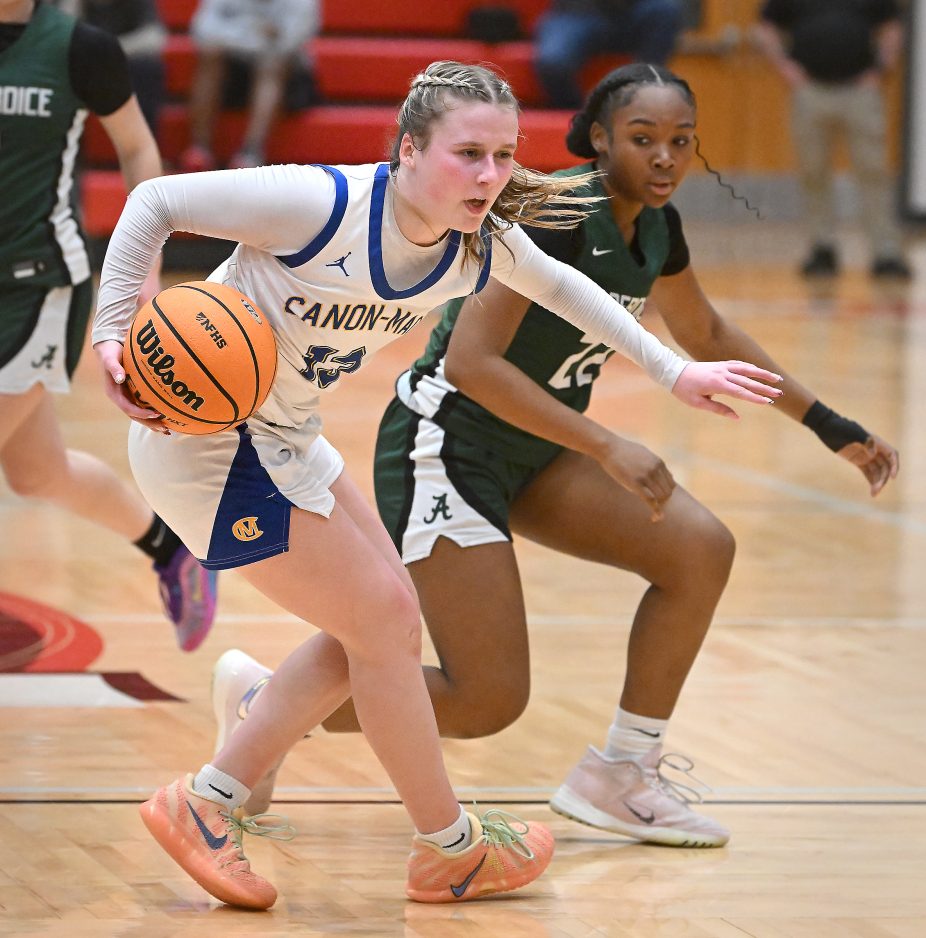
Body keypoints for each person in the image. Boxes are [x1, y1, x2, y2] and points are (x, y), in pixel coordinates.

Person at [92, 60, 782, 909]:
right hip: (207, 447)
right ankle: (449, 847)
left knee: (376, 627)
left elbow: (570, 290)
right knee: (382, 620)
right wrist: (112, 331)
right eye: (469, 155)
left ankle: (209, 800)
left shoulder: (479, 242)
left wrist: (675, 372)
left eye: (504, 156)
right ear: (409, 151)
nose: (490, 176)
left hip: (287, 439)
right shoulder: (320, 205)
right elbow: (155, 202)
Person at [212, 63, 900, 849]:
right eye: (643, 138)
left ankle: (621, 773)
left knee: (700, 549)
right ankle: (265, 705)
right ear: (600, 139)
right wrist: (607, 444)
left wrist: (828, 424)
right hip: (449, 446)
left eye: (682, 141)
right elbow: (472, 363)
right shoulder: (555, 215)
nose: (665, 157)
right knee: (485, 700)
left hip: (539, 448)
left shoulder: (656, 227)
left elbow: (706, 334)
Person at [0, 0, 217, 652]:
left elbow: (137, 146)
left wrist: (146, 262)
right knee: (38, 473)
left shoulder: (79, 49)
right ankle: (170, 548)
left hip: (37, 288)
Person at [753, 0, 912, 279]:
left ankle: (886, 251)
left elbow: (891, 26)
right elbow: (766, 27)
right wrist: (785, 67)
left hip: (861, 91)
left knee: (873, 171)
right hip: (809, 90)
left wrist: (882, 68)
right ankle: (822, 247)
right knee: (813, 171)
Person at [177, 0, 320, 172]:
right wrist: (256, 35)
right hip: (236, 67)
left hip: (288, 81)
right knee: (210, 55)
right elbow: (202, 31)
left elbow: (290, 42)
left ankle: (251, 151)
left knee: (272, 63)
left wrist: (234, 34)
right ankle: (199, 148)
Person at [534, 0, 683, 109]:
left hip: (629, 12)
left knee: (666, 9)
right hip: (577, 13)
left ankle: (642, 92)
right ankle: (576, 116)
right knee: (553, 61)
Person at [54, 0, 166, 135]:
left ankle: (144, 141)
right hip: (88, 69)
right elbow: (62, 39)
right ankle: (68, 142)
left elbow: (155, 38)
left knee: (147, 67)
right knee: (65, 69)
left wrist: (109, 49)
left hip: (126, 68)